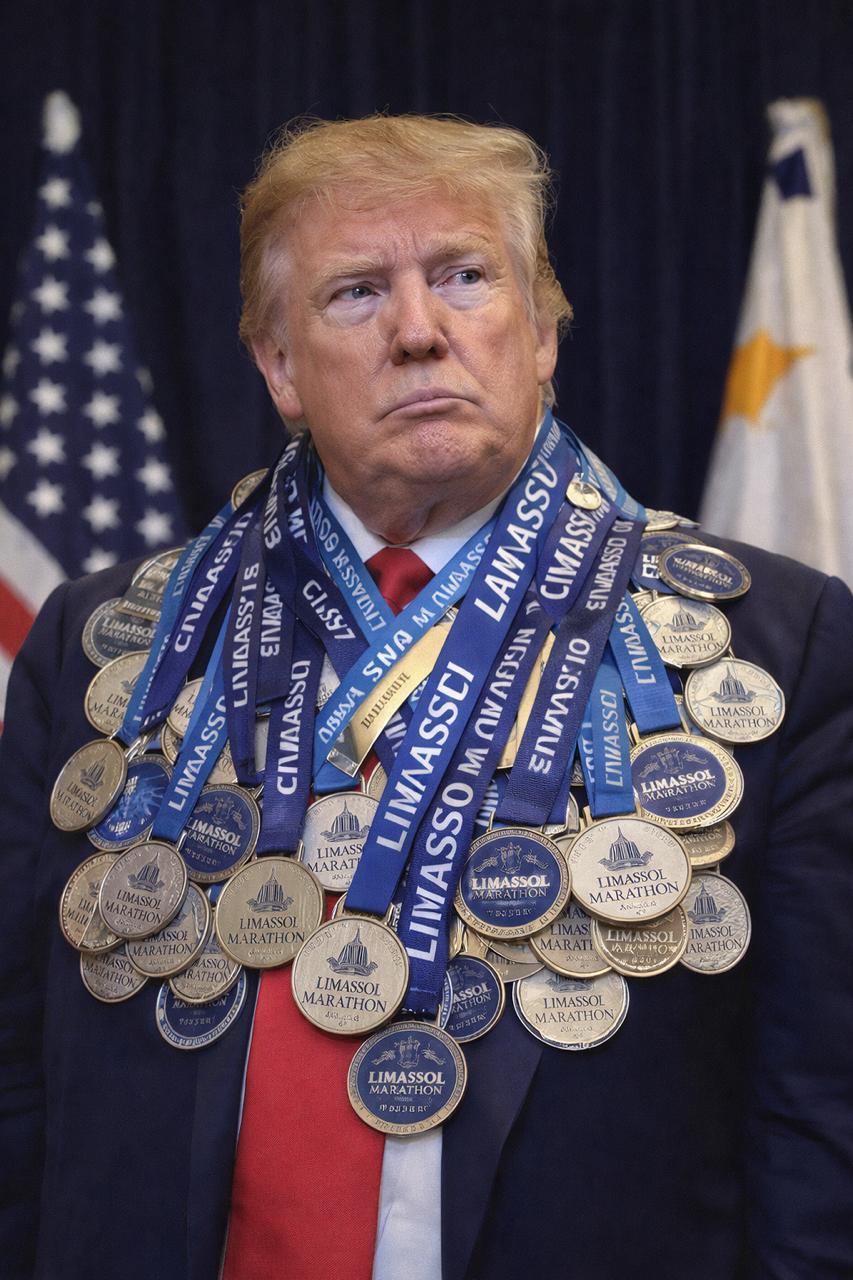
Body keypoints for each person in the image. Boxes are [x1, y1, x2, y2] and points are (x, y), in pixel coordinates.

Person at [2, 113, 853, 1280]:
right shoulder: (102, 650)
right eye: (357, 292)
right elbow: (21, 1083)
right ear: (278, 364)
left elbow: (818, 1127)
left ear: (540, 333)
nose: (418, 330)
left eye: (463, 275)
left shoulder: (783, 646)